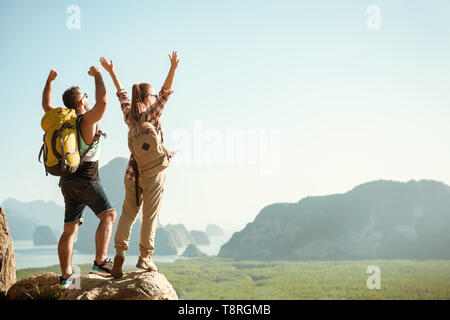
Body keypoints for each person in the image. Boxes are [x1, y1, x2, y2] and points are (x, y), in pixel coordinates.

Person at [100, 52, 179, 278]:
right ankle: (145, 258)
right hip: (153, 174)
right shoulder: (151, 115)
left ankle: (119, 254)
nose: (155, 98)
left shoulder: (129, 116)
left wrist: (112, 72)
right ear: (147, 97)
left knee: (128, 213)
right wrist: (173, 68)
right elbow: (166, 93)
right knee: (150, 215)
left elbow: (122, 94)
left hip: (131, 173)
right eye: (152, 95)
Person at [41, 67, 117, 288]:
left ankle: (66, 277)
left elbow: (46, 105)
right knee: (109, 215)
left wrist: (49, 81)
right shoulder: (85, 121)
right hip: (87, 180)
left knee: (69, 229)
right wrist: (99, 76)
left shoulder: (63, 122)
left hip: (66, 181)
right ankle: (101, 262)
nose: (87, 97)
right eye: (85, 95)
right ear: (82, 101)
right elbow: (103, 100)